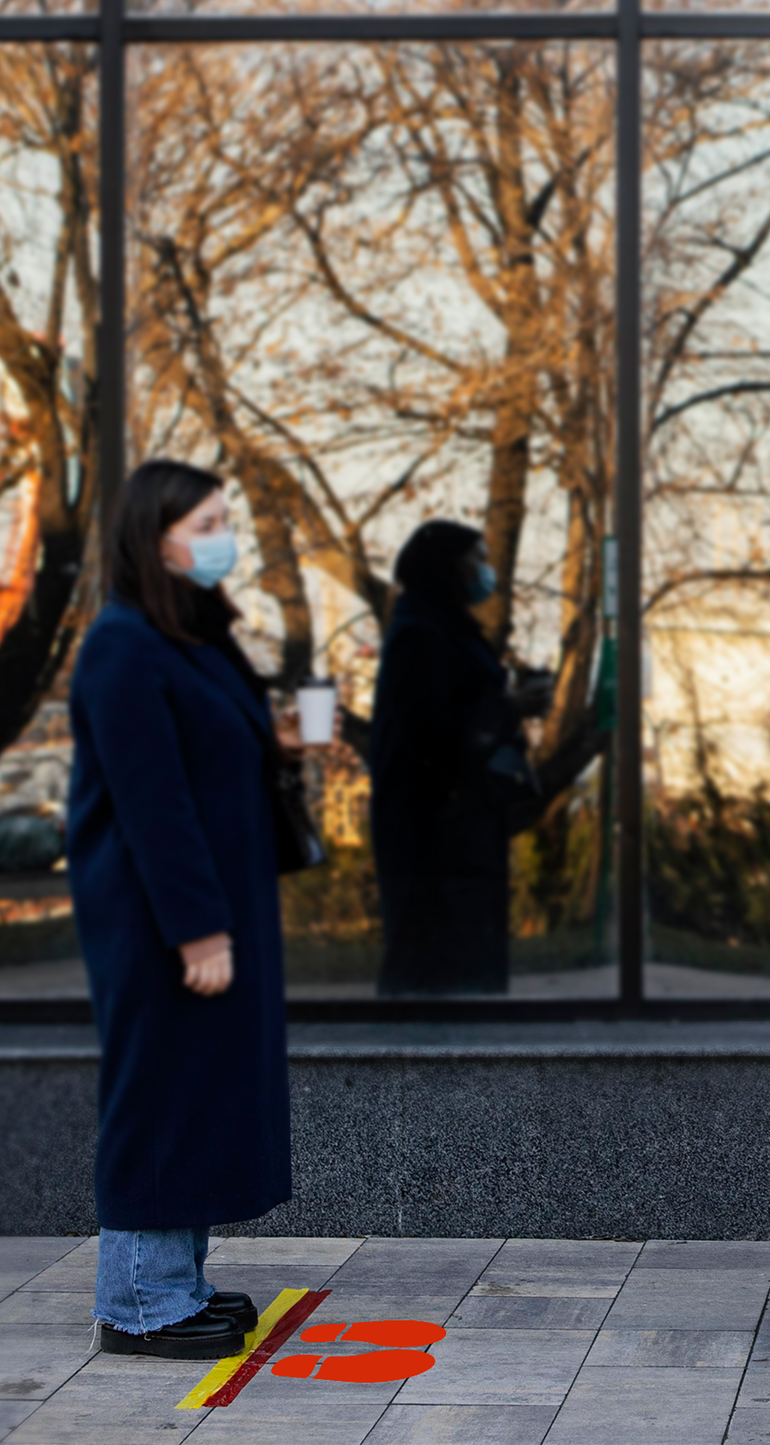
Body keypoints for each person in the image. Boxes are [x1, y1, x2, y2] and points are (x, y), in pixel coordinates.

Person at [67, 460, 306, 1359]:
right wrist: (197, 927)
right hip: (160, 917)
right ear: (154, 535)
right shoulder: (123, 643)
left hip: (210, 904)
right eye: (206, 519)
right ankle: (138, 1302)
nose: (222, 535)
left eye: (222, 517)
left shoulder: (188, 638)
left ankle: (176, 1282)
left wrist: (275, 740)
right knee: (160, 1093)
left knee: (198, 1090)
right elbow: (150, 800)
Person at [370, 520, 551, 996]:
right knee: (435, 973)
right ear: (447, 567)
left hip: (453, 827)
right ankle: (426, 1069)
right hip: (436, 832)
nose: (487, 571)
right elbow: (427, 730)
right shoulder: (421, 632)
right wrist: (509, 706)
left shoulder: (438, 626)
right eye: (478, 558)